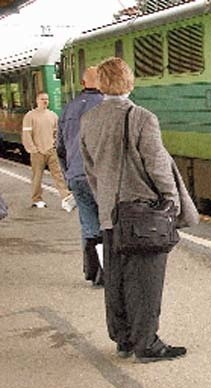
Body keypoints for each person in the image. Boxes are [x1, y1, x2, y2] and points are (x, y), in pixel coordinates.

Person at [80, 57, 198, 363]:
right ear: (129, 82)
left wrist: (105, 200)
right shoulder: (142, 117)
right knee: (145, 280)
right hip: (142, 215)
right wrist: (170, 200)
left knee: (116, 278)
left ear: (102, 85)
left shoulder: (89, 119)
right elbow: (157, 164)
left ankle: (123, 340)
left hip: (110, 212)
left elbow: (90, 170)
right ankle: (147, 344)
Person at [57, 67, 104, 286]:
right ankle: (107, 272)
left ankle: (92, 272)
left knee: (88, 225)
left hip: (76, 175)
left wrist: (68, 173)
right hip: (102, 176)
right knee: (108, 223)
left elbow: (60, 148)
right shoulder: (106, 105)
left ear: (82, 83)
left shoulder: (68, 109)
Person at [22, 91, 75, 211]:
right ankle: (37, 199)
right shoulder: (30, 116)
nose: (45, 101)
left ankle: (66, 197)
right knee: (37, 176)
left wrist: (55, 145)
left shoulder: (53, 116)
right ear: (37, 100)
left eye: (46, 99)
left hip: (51, 150)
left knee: (58, 175)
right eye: (42, 99)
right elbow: (27, 134)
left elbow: (57, 133)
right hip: (37, 152)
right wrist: (32, 149)